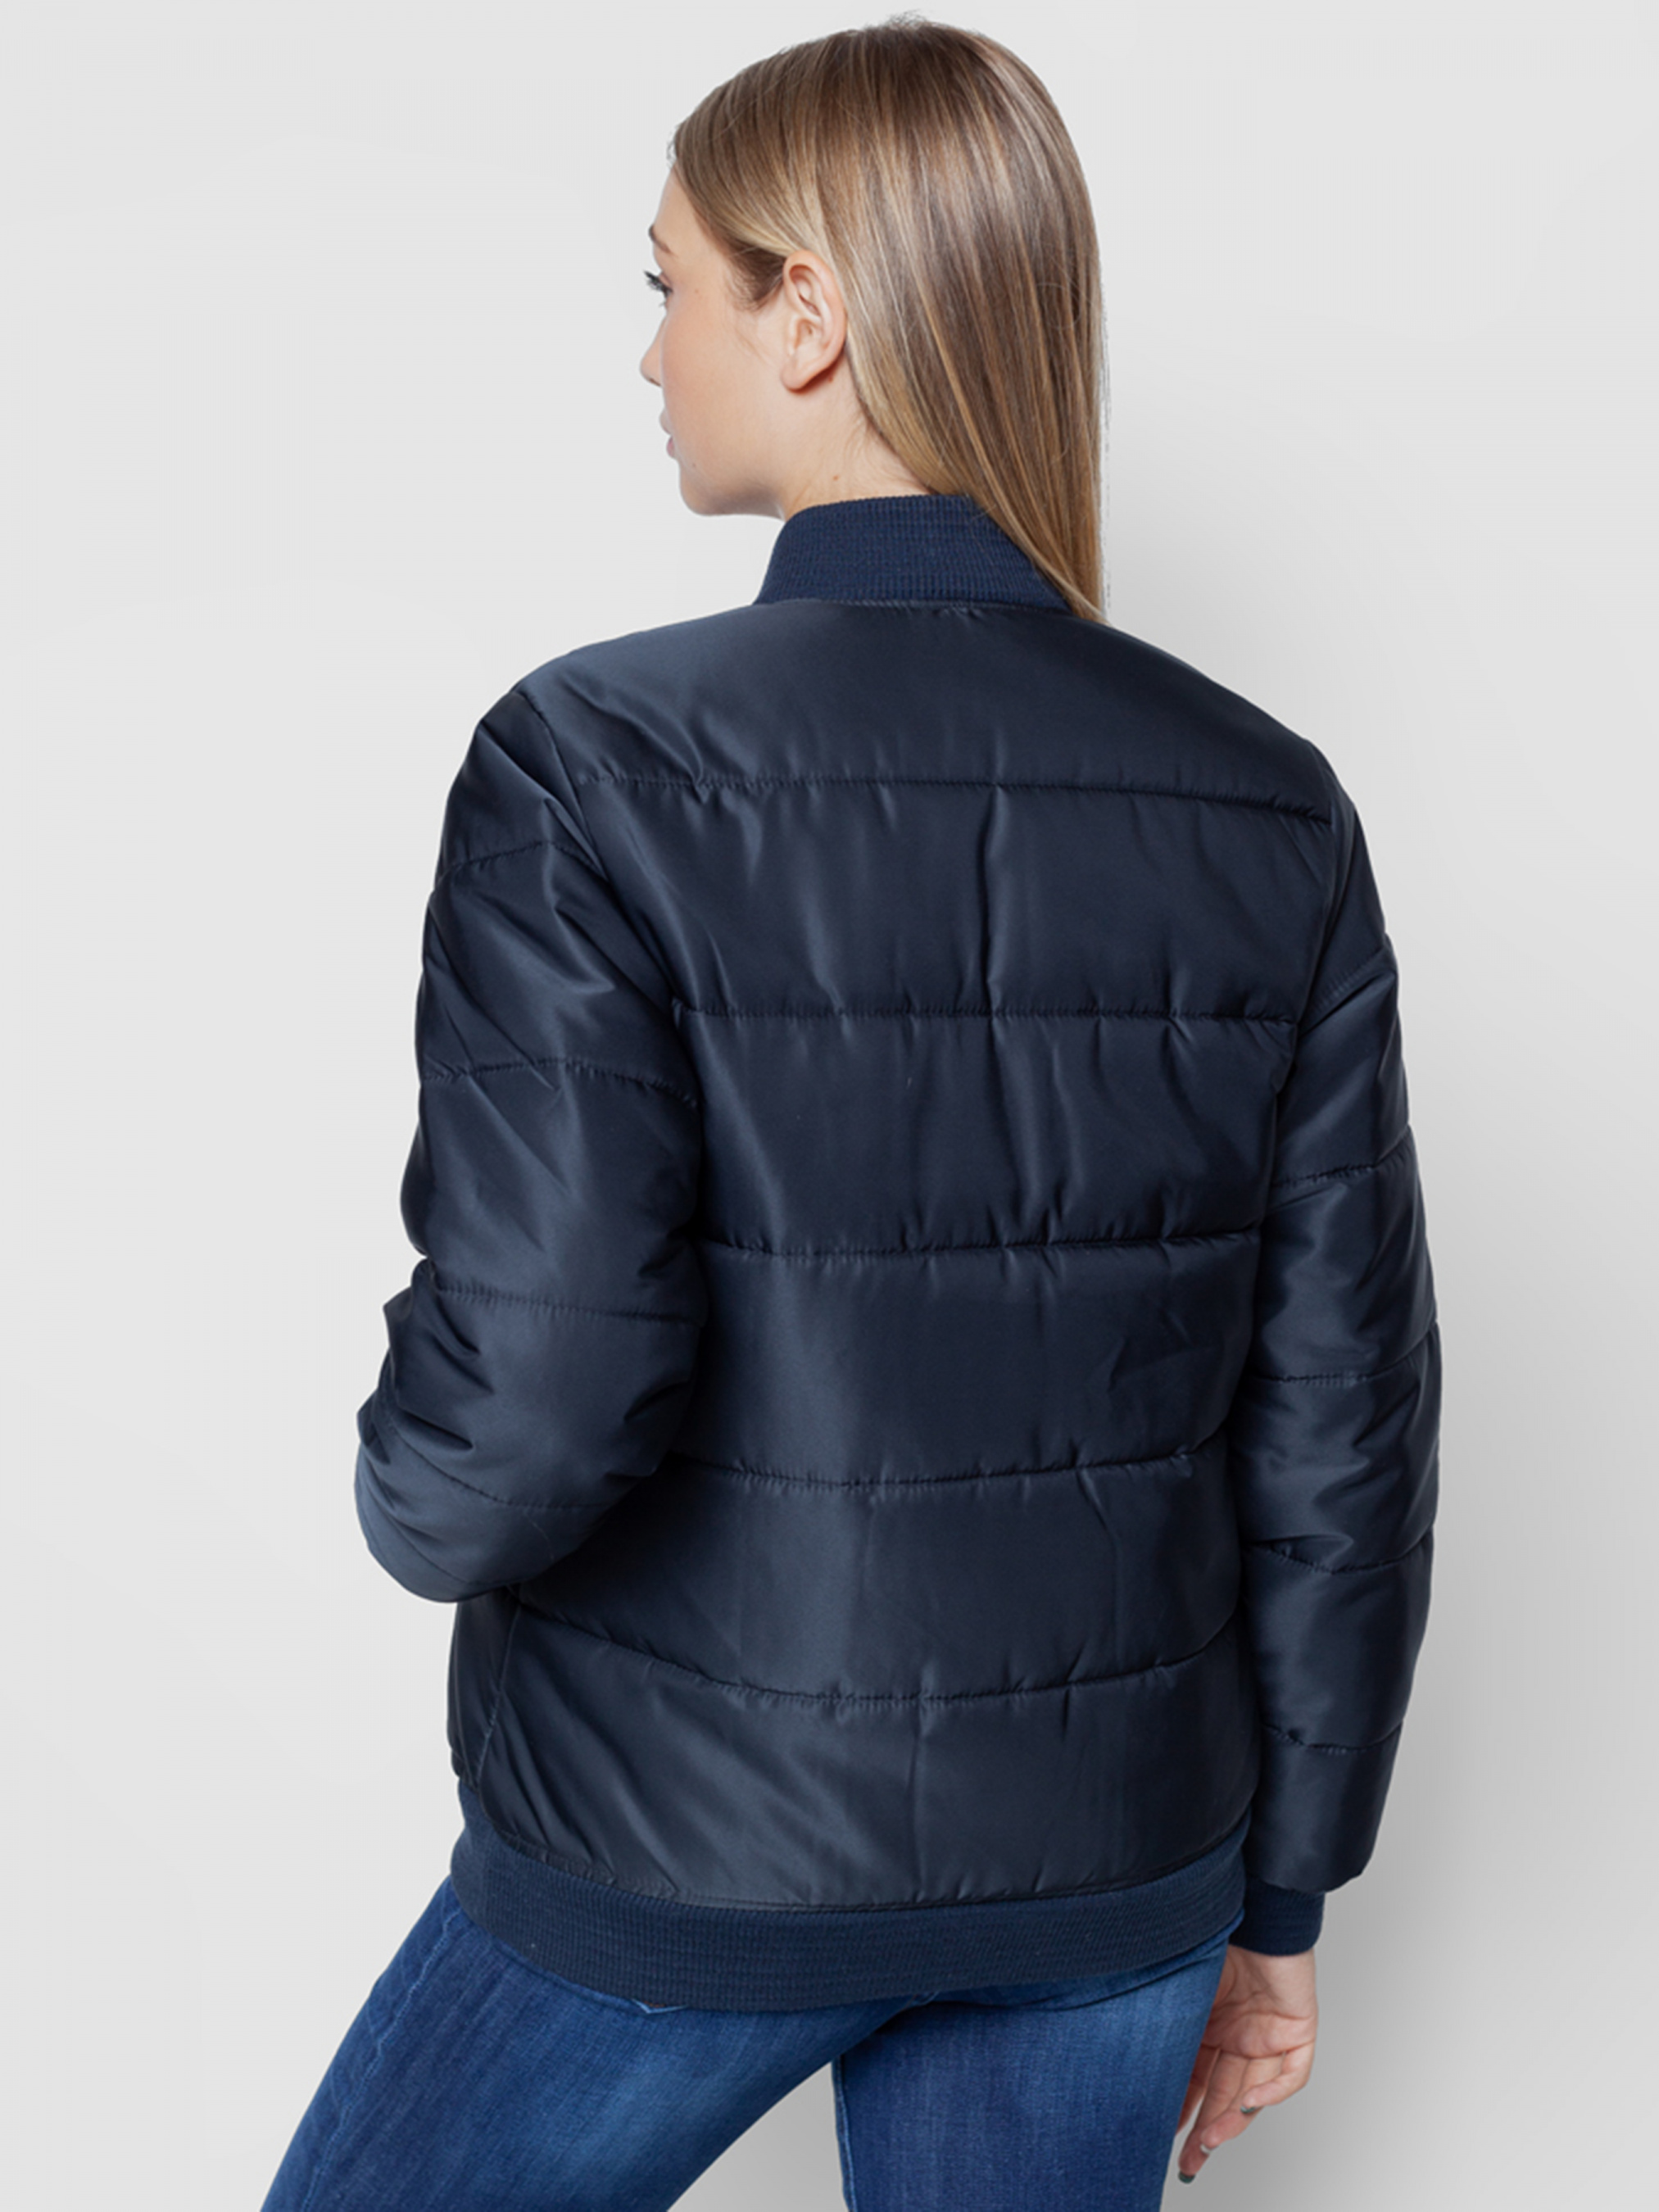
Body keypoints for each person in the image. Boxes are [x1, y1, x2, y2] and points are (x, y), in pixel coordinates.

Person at [261, 17, 1439, 2210]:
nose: (650, 354)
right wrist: (1281, 1891)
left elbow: (527, 1401)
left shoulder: (591, 766)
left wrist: (407, 1496)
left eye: (670, 286)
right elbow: (1340, 1424)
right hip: (1109, 1859)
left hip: (675, 1837)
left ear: (805, 311)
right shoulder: (1269, 803)